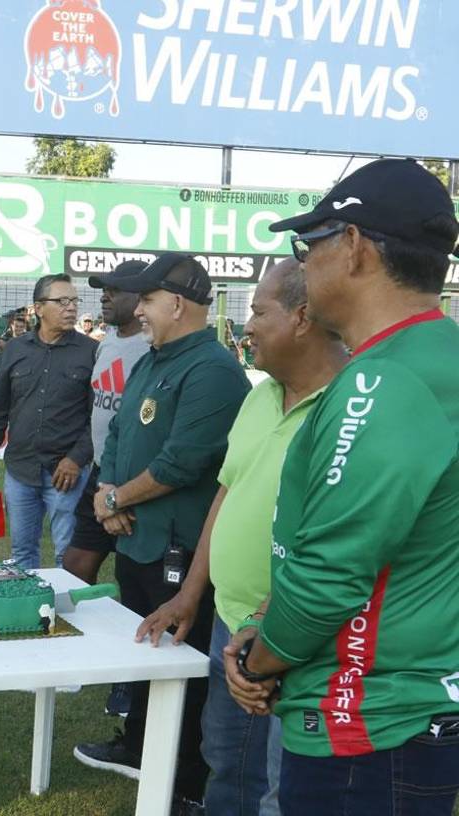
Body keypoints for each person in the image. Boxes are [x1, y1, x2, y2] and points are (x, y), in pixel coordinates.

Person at [226, 158, 459, 816]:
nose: (305, 265)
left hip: (363, 730)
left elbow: (331, 573)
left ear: (354, 246)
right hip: (396, 726)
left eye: (310, 245)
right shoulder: (434, 358)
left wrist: (259, 660)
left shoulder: (384, 381)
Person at [136, 259, 347, 816]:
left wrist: (268, 626)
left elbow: (338, 546)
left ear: (302, 318)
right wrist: (191, 593)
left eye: (258, 311)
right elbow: (227, 496)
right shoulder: (260, 395)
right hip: (230, 622)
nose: (245, 326)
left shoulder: (352, 410)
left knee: (284, 786)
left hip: (296, 636)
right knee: (227, 763)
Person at [72, 252, 249, 812]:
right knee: (147, 657)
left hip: (182, 549)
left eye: (146, 300)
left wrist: (115, 497)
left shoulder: (214, 370)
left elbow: (183, 462)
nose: (139, 311)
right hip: (136, 539)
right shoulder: (152, 357)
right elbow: (121, 431)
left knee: (184, 669)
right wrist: (107, 497)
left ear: (176, 303)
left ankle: (187, 780)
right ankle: (142, 748)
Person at [60, 261, 152, 719]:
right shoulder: (107, 343)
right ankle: (71, 660)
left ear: (142, 297)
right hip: (100, 476)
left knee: (136, 591)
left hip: (134, 485)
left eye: (114, 290)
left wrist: (118, 492)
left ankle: (126, 685)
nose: (104, 297)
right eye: (103, 289)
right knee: (75, 567)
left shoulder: (155, 347)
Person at [0, 274, 97, 570]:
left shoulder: (92, 352)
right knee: (22, 555)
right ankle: (29, 615)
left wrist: (76, 458)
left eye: (74, 301)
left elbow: (100, 417)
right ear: (39, 308)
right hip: (21, 470)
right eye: (62, 301)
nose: (71, 308)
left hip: (67, 475)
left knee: (65, 557)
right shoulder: (15, 351)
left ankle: (64, 615)